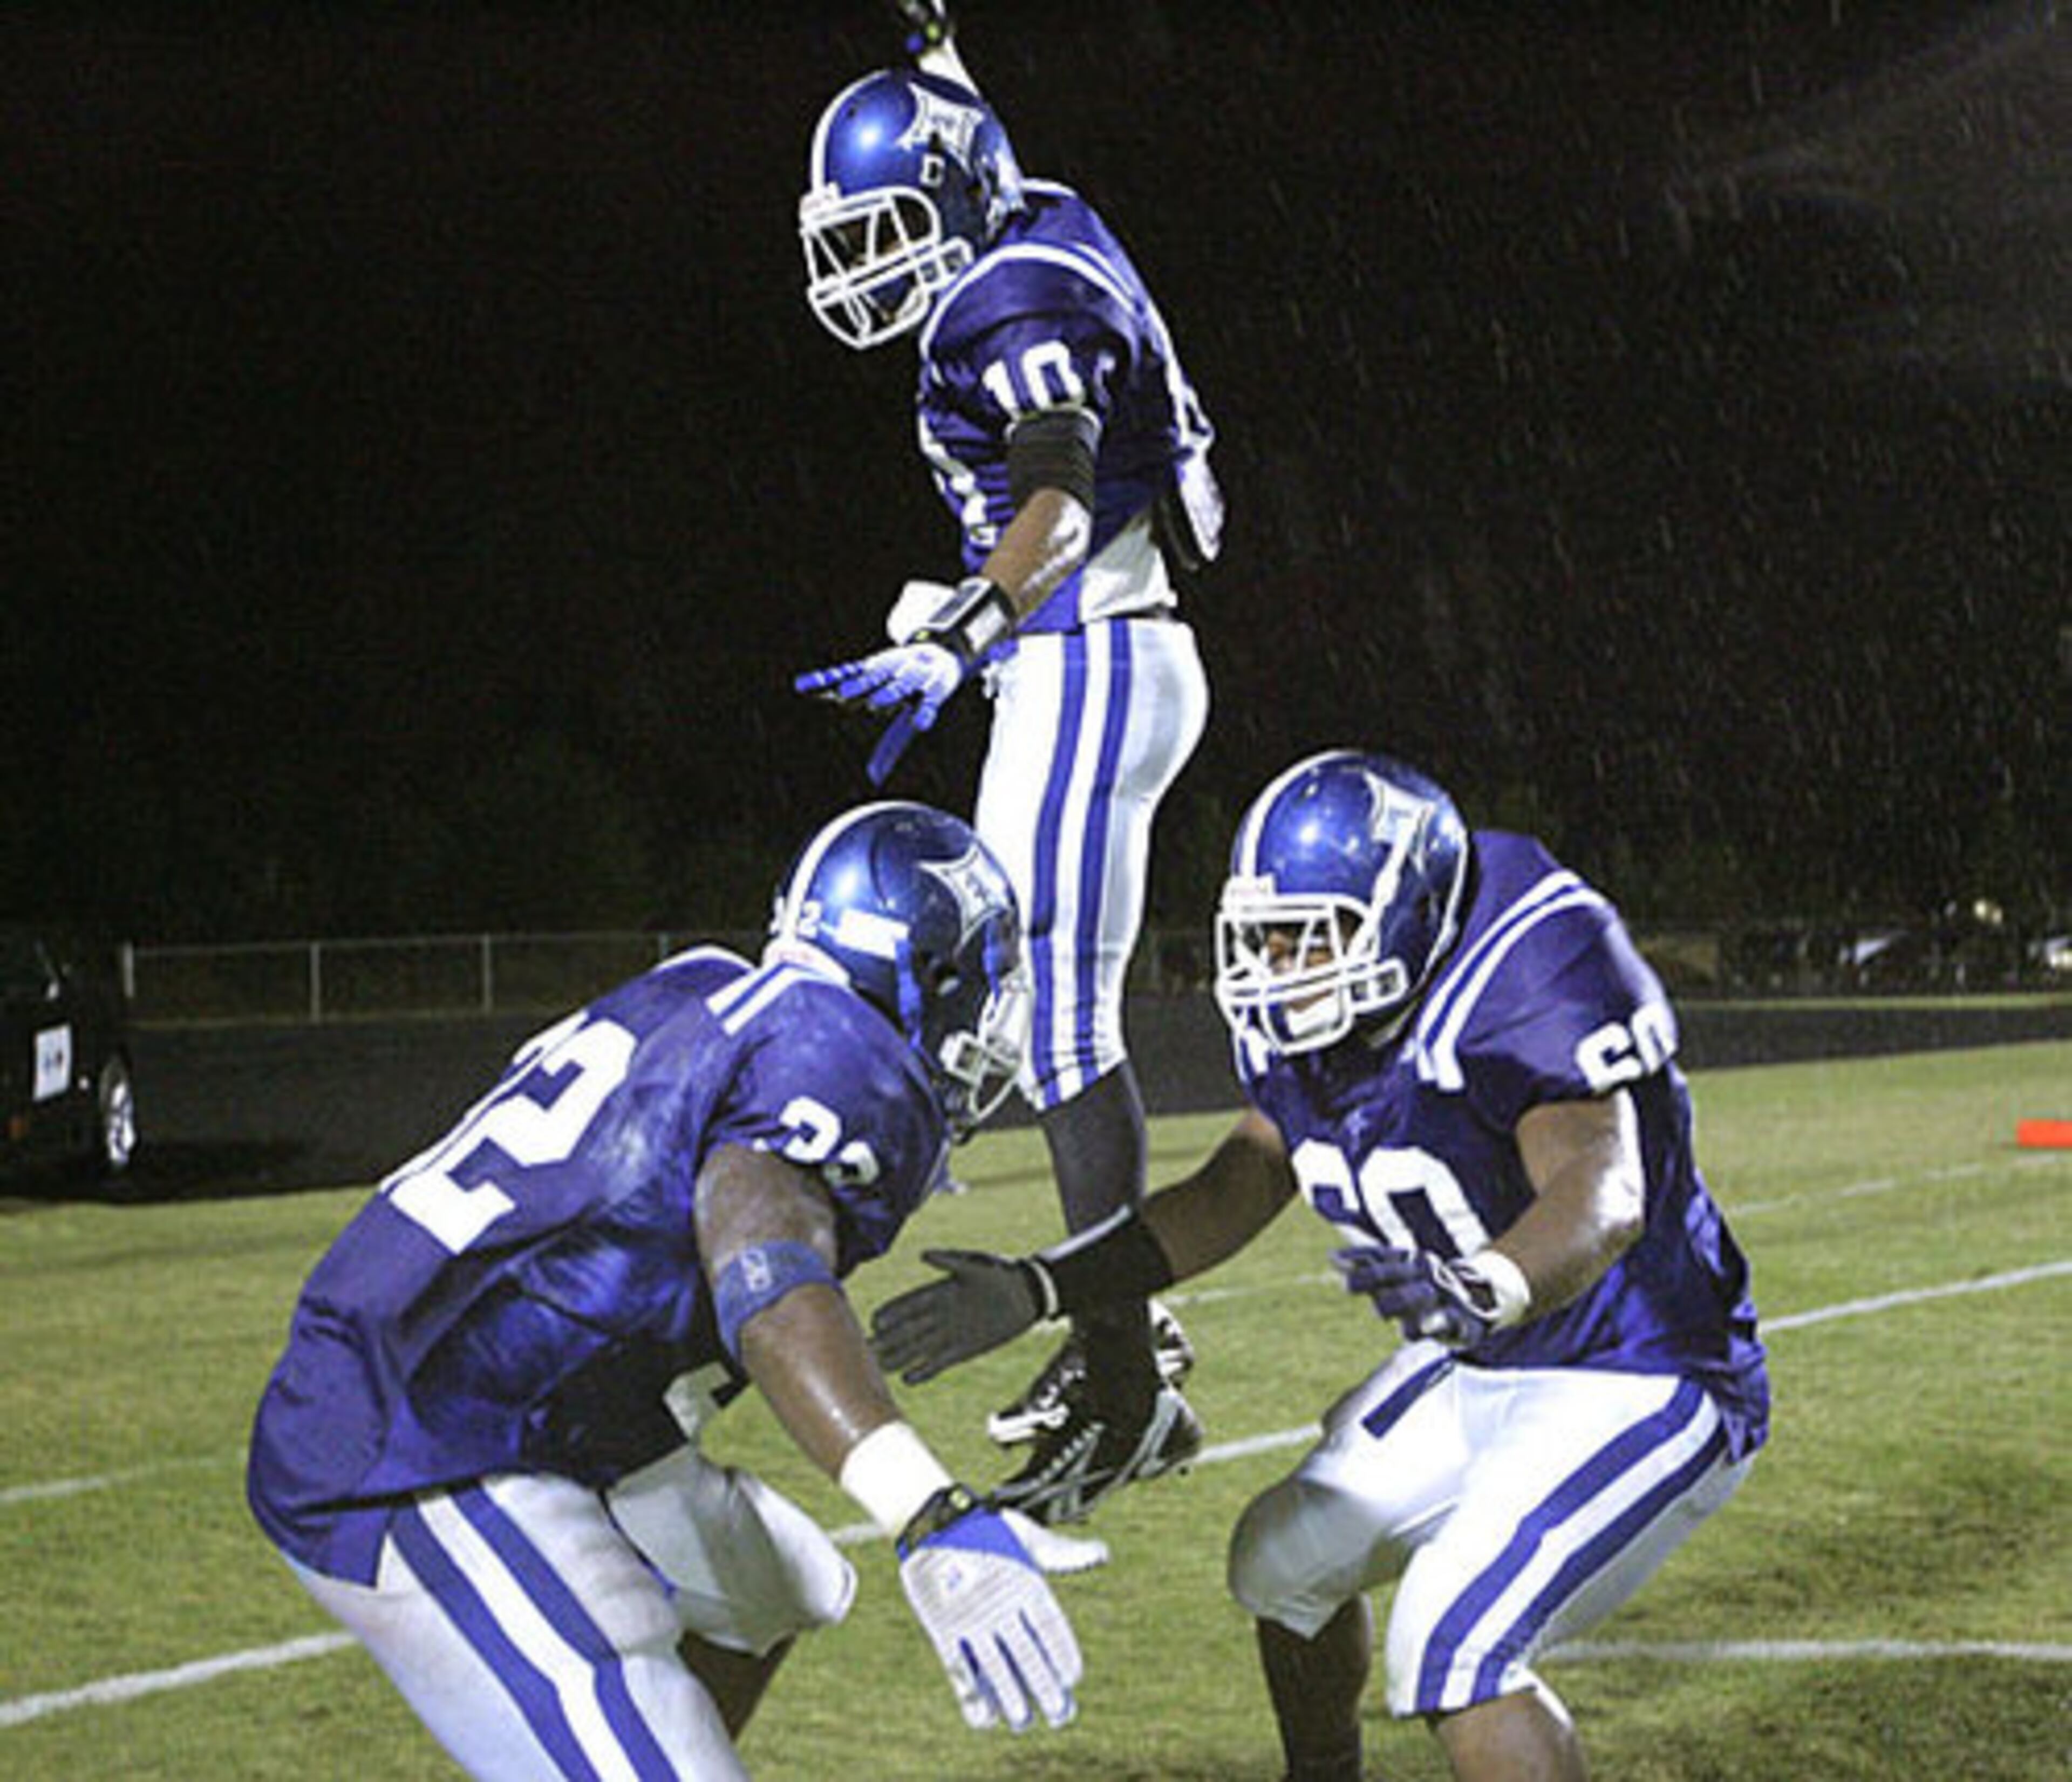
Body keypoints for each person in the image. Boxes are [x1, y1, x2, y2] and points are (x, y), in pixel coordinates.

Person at [871, 750, 1771, 1782]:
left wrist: (1483, 1284)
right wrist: (1045, 1285)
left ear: (1405, 915)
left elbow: (1603, 1188)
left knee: (1451, 1641)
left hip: (1644, 1364)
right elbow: (1245, 1178)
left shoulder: (1531, 958)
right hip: (1480, 1356)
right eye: (1266, 936)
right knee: (1279, 1564)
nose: (1280, 965)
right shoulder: (1312, 1022)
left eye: (1310, 936)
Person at [245, 801, 1106, 1780]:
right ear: (928, 974)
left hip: (522, 1384)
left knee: (778, 1584)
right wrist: (928, 1510)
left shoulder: (703, 984)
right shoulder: (842, 1059)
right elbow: (767, 1273)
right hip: (422, 1444)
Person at [791, 0, 1223, 1527]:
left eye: (891, 228)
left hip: (1084, 648)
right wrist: (931, 38)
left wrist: (966, 627)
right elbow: (966, 120)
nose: (870, 268)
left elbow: (1050, 480)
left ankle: (1128, 1376)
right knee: (1025, 1012)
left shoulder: (1009, 296)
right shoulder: (1026, 211)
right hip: (1096, 652)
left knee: (1045, 1025)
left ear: (955, 199)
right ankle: (1127, 1341)